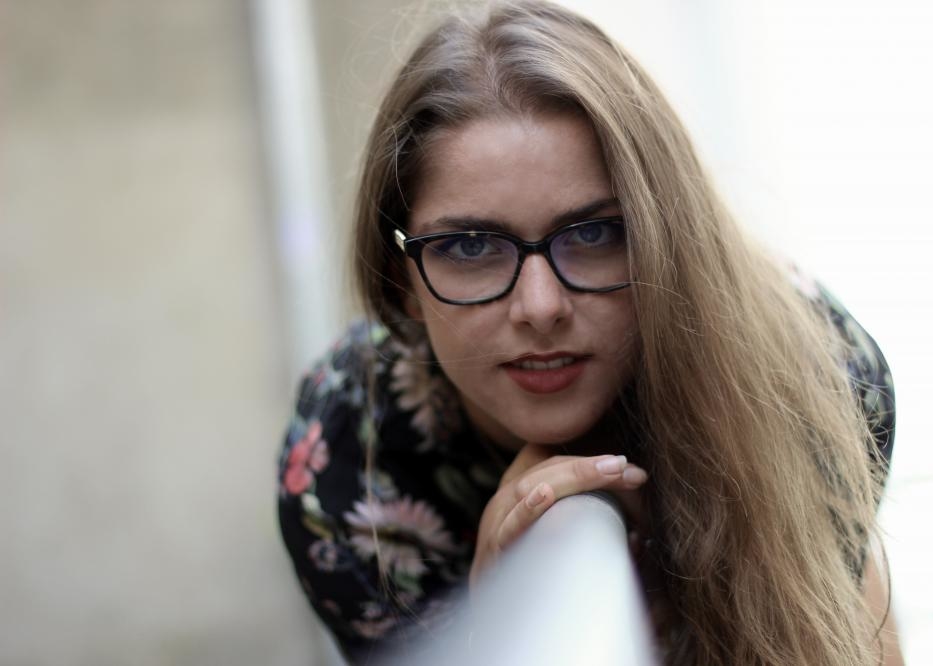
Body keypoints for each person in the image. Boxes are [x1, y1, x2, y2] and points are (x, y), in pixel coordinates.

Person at [276, 1, 899, 664]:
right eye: (469, 246)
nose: (540, 307)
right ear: (400, 276)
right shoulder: (346, 474)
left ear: (670, 240)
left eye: (596, 233)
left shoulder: (814, 374)